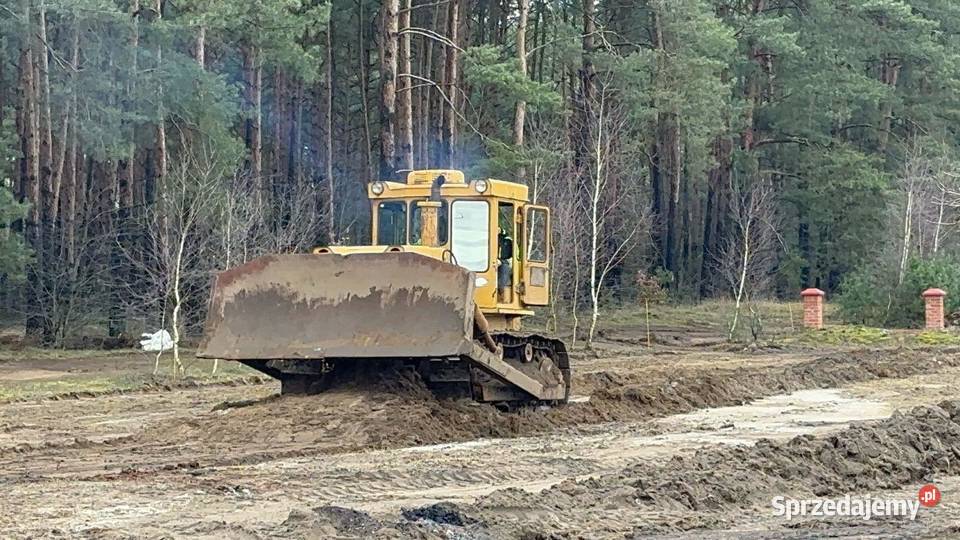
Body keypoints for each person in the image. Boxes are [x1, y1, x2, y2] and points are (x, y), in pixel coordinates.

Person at [497, 229, 513, 302]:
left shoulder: (507, 241)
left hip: (507, 263)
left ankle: (503, 295)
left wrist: (501, 261)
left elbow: (511, 258)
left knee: (504, 268)